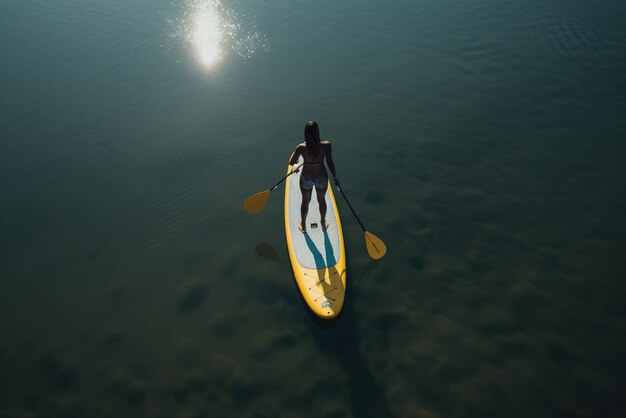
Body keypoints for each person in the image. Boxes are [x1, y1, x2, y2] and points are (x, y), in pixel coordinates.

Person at [289, 120, 339, 234]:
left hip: (306, 178)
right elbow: (330, 163)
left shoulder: (301, 147)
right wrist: (335, 177)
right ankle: (323, 224)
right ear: (317, 132)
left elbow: (291, 162)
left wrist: (296, 166)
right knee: (321, 201)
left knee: (305, 201)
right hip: (321, 178)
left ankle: (304, 226)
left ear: (305, 133)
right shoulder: (326, 145)